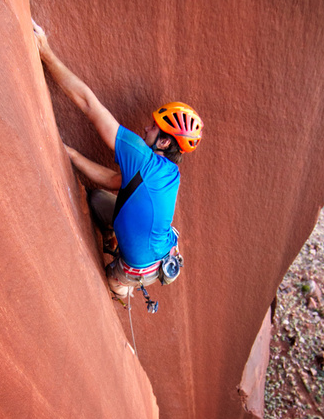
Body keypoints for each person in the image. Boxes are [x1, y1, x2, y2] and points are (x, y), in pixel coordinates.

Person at [32, 19, 203, 308]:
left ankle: (123, 290)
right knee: (99, 198)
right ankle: (114, 243)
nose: (147, 128)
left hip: (141, 268)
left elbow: (89, 104)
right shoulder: (170, 172)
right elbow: (118, 183)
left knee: (112, 279)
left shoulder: (142, 159)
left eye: (153, 127)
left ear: (163, 142)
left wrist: (45, 51)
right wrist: (71, 155)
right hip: (160, 250)